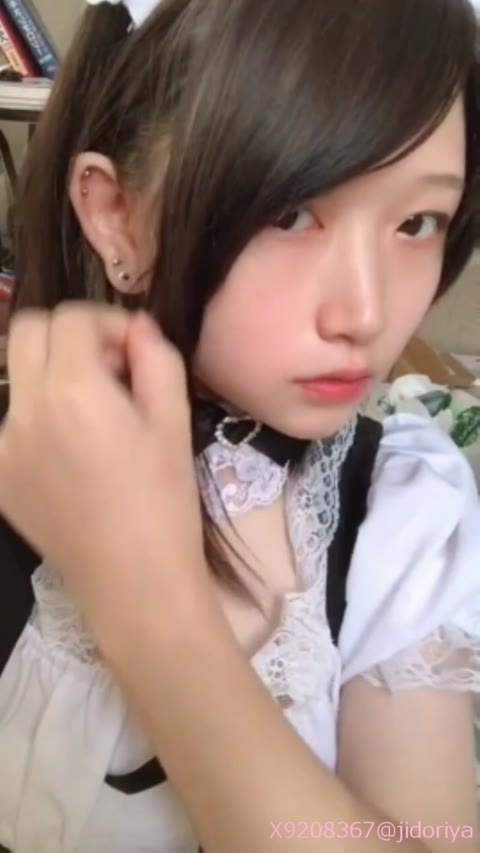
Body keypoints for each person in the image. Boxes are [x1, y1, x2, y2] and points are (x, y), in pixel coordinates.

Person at [0, 0, 479, 851]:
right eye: (290, 214)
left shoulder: (403, 509)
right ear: (116, 214)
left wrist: (147, 607)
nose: (366, 313)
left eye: (417, 222)